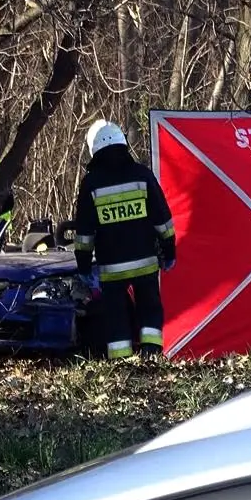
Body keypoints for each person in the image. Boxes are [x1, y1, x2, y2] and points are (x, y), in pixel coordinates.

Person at [73, 119, 177, 358]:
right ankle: (151, 354)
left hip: (111, 269)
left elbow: (84, 234)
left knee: (116, 315)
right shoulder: (142, 175)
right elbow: (162, 220)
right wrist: (169, 251)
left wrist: (83, 265)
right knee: (149, 309)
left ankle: (121, 362)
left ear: (94, 148)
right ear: (123, 142)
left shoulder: (91, 183)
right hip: (145, 263)